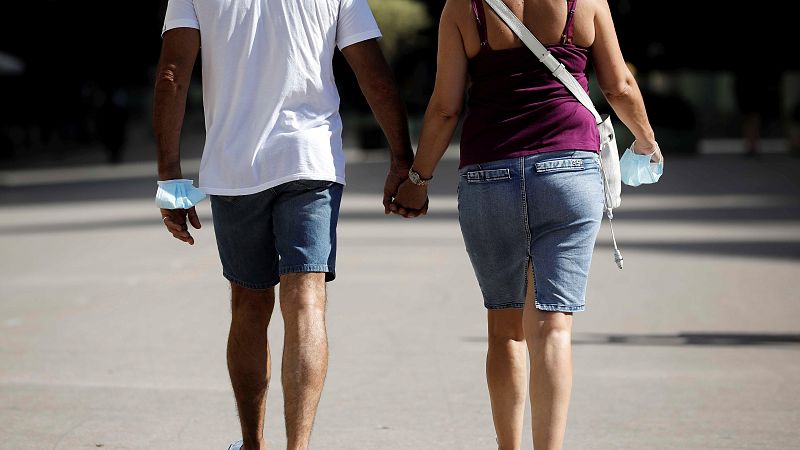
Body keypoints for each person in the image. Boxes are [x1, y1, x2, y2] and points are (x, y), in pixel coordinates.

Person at [391, 0, 661, 448]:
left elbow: (444, 108)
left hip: (488, 171)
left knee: (504, 327)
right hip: (569, 171)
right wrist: (648, 142)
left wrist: (418, 179)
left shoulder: (462, 7)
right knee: (554, 327)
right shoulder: (587, 2)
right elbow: (619, 87)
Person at [153, 1, 414, 449]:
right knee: (307, 302)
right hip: (311, 160)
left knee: (249, 305)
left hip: (236, 169)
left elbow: (172, 76)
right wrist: (402, 160)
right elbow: (374, 76)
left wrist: (170, 178)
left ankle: (253, 445)